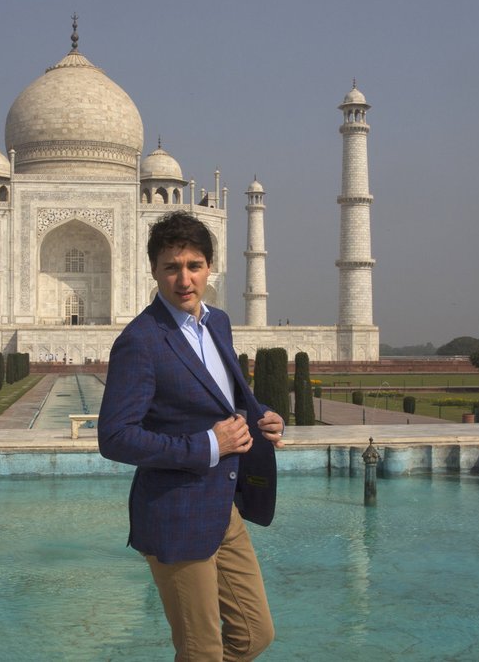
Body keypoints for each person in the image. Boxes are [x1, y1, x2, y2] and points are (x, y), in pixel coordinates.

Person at [98, 210, 285, 661]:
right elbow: (115, 437)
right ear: (154, 271)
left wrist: (260, 418)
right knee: (202, 649)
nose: (184, 279)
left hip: (223, 507)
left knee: (255, 634)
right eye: (172, 267)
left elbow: (223, 398)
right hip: (175, 512)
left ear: (209, 268)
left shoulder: (216, 321)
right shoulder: (141, 341)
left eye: (194, 265)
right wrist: (207, 445)